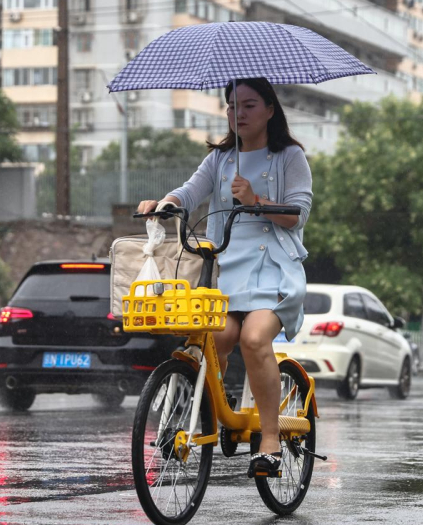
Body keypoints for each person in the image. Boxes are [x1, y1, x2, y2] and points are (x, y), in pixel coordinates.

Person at [136, 77, 313, 478]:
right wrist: (163, 204)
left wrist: (255, 200)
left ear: (270, 109)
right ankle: (208, 416)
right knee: (213, 340)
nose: (239, 113)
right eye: (232, 106)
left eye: (249, 105)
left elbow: (296, 214)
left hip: (275, 273)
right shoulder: (219, 159)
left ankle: (268, 442)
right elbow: (189, 191)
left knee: (253, 338)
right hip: (226, 271)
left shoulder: (288, 157)